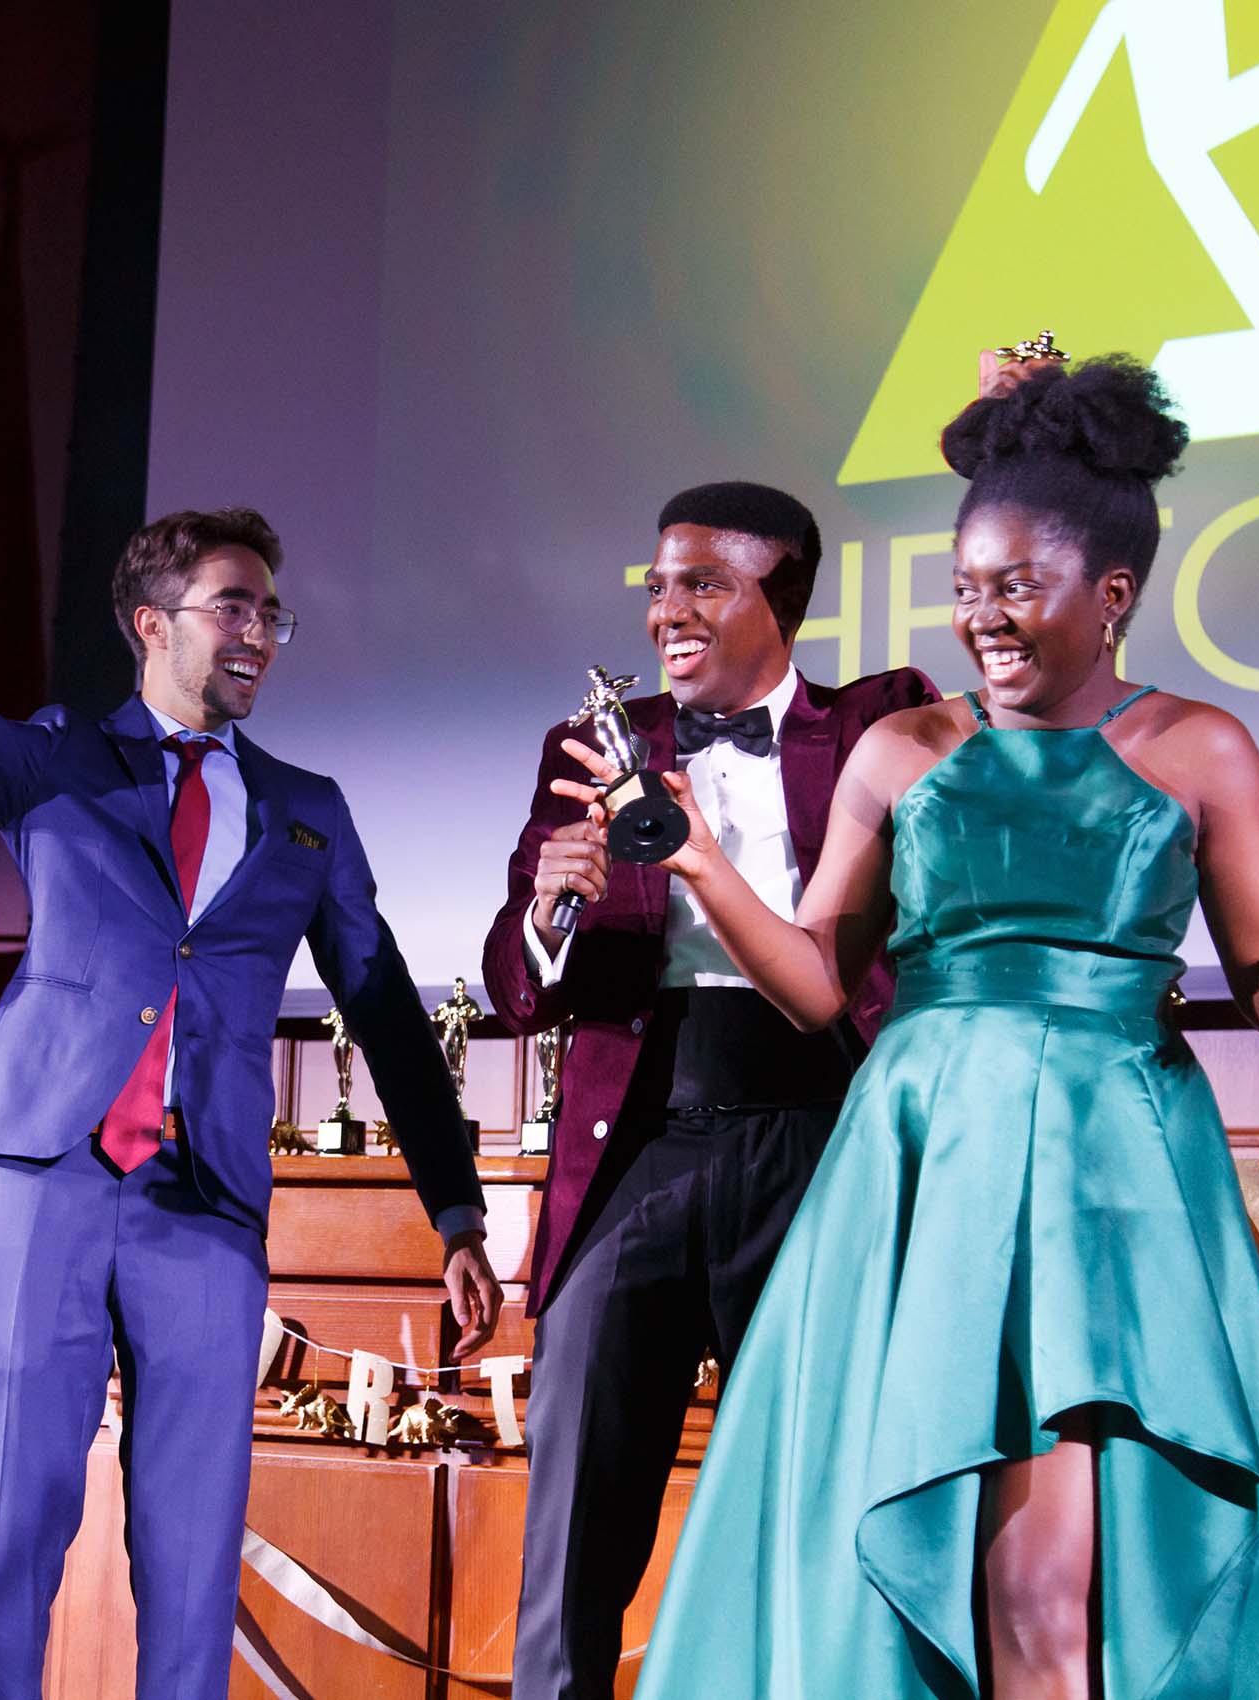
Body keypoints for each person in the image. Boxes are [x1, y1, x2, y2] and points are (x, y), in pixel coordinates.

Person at [622, 354, 1259, 1696]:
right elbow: (814, 989)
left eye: (1015, 588)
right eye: (964, 590)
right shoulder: (899, 748)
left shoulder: (1199, 748)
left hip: (1109, 1178)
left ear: (1111, 594)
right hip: (920, 1167)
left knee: (1044, 1589)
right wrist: (697, 869)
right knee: (895, 1570)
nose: (982, 619)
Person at [0, 351, 502, 1700]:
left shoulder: (307, 806)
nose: (260, 632)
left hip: (206, 1210)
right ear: (150, 620)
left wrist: (458, 1217)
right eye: (233, 607)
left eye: (273, 616)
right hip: (49, 1180)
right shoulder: (57, 759)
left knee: (190, 1559)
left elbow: (375, 1004)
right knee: (10, 1536)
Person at [480, 482, 935, 1699]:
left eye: (702, 584)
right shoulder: (592, 743)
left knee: (812, 1497)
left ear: (781, 595)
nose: (665, 611)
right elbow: (516, 988)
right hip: (641, 1143)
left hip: (819, 1138)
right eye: (657, 585)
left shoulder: (879, 722)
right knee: (575, 1511)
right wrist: (546, 907)